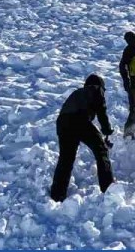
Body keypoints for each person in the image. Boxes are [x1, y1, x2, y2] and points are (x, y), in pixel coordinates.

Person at [50, 74, 115, 202]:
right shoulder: (96, 89)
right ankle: (109, 190)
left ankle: (57, 194)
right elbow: (101, 110)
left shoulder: (77, 93)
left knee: (66, 159)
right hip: (79, 119)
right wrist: (106, 130)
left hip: (62, 122)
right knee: (101, 150)